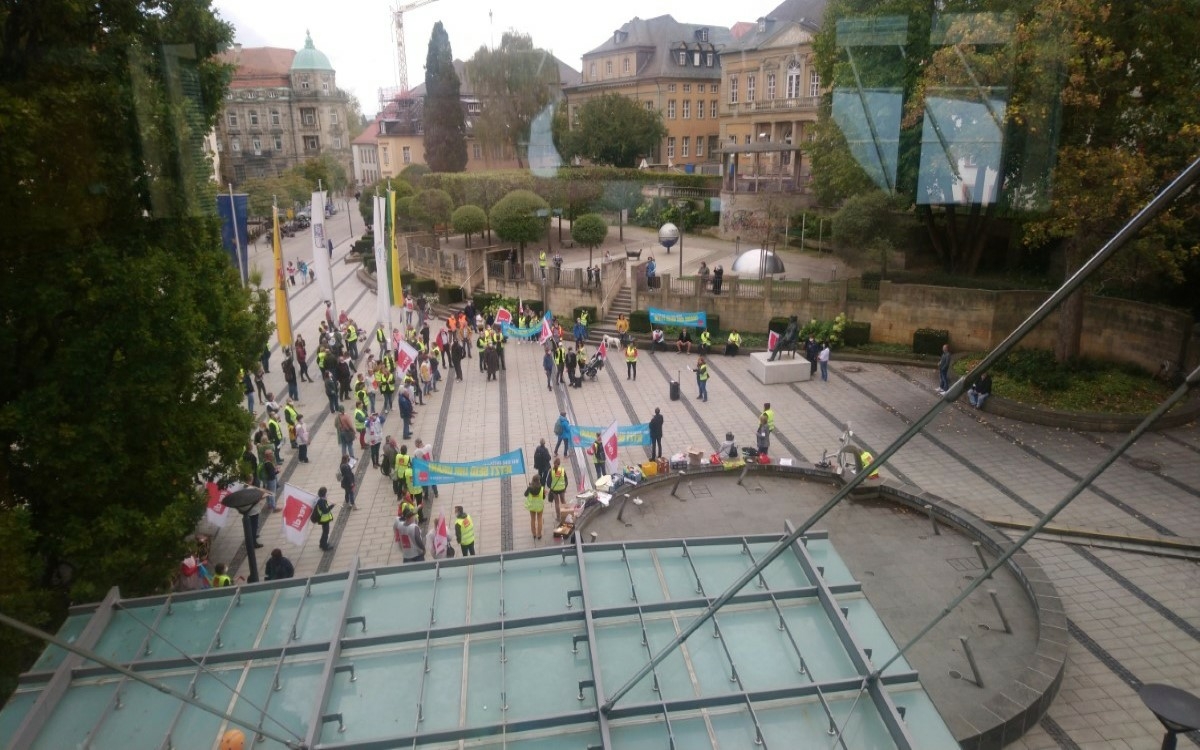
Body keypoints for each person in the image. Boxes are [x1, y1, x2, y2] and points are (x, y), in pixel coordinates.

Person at [524, 475, 547, 540]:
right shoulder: (541, 488)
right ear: (538, 481)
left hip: (532, 506)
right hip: (539, 506)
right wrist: (544, 493)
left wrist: (529, 487)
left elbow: (525, 494)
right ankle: (539, 534)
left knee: (532, 519)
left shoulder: (530, 488)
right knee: (539, 519)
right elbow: (543, 497)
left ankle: (534, 534)